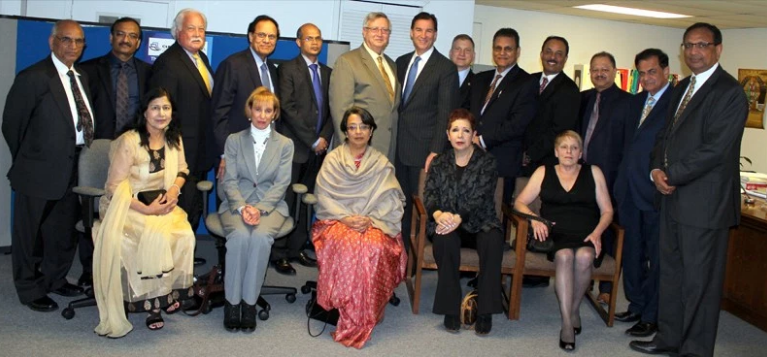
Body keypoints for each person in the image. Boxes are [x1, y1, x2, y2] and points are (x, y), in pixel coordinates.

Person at [630, 23, 749, 357]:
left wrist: (671, 174)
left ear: (718, 49)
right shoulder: (682, 87)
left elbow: (716, 150)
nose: (694, 51)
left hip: (705, 204)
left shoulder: (729, 92)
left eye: (702, 44)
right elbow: (664, 136)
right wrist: (656, 168)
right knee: (671, 275)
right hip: (672, 198)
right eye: (689, 45)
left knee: (700, 284)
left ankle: (694, 350)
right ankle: (669, 338)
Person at [92, 87, 196, 338]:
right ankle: (153, 307)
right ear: (145, 112)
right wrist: (146, 209)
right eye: (155, 107)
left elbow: (183, 169)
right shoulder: (130, 141)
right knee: (153, 239)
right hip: (128, 205)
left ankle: (167, 293)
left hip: (162, 202)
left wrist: (173, 191)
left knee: (184, 235)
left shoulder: (174, 137)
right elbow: (113, 187)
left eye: (166, 108)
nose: (161, 113)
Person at [2, 19, 90, 313]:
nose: (73, 46)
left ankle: (55, 279)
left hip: (74, 167)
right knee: (31, 234)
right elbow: (12, 125)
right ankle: (29, 289)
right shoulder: (34, 77)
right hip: (39, 169)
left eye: (78, 41)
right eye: (67, 40)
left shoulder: (81, 77)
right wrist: (32, 158)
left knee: (62, 231)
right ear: (52, 42)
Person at [312, 107, 406, 349]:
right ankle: (348, 311)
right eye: (352, 126)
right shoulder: (333, 159)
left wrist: (370, 219)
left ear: (371, 130)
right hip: (336, 221)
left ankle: (371, 308)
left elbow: (393, 199)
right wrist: (345, 218)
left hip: (373, 221)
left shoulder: (380, 162)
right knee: (348, 244)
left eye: (363, 126)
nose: (358, 131)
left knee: (374, 246)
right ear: (345, 130)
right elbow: (323, 197)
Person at [514, 130, 614, 351]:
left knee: (585, 255)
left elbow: (607, 210)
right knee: (565, 255)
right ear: (556, 151)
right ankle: (567, 322)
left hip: (588, 232)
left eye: (574, 147)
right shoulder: (543, 171)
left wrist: (597, 233)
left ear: (580, 152)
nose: (569, 152)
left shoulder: (593, 172)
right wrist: (534, 219)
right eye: (564, 147)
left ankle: (574, 308)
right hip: (557, 234)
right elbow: (519, 202)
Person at [78, 16, 153, 288]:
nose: (126, 40)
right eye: (120, 34)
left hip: (134, 151)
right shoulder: (88, 70)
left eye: (132, 36)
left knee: (130, 210)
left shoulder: (147, 72)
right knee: (96, 208)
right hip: (98, 151)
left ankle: (125, 266)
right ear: (111, 38)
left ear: (138, 42)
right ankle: (91, 269)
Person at [218, 87, 293, 333]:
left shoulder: (285, 144)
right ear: (249, 111)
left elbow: (282, 183)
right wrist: (242, 208)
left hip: (270, 207)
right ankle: (232, 303)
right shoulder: (234, 140)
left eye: (268, 110)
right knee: (239, 237)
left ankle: (249, 304)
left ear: (274, 114)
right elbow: (229, 181)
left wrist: (259, 209)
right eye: (257, 109)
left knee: (260, 238)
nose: (262, 115)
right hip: (236, 204)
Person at [423, 109, 503, 335]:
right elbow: (429, 194)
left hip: (479, 221)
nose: (460, 135)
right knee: (444, 240)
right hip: (447, 221)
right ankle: (450, 309)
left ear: (473, 134)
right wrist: (438, 215)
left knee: (493, 241)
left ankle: (485, 311)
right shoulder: (439, 161)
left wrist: (459, 217)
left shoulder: (487, 161)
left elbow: (482, 195)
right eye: (455, 130)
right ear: (448, 135)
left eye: (466, 130)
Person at [612, 48, 673, 338]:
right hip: (628, 190)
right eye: (643, 72)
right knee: (632, 253)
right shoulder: (634, 102)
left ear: (666, 72)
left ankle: (652, 315)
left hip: (655, 193)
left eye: (653, 72)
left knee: (655, 257)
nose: (647, 78)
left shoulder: (676, 105)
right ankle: (636, 305)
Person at [395, 12, 458, 251]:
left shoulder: (445, 68)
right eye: (419, 30)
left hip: (423, 152)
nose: (423, 35)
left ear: (435, 35)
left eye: (429, 31)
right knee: (398, 204)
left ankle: (412, 260)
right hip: (397, 148)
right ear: (411, 33)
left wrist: (435, 150)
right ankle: (397, 255)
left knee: (417, 207)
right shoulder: (401, 62)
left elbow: (445, 113)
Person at [150, 8, 215, 238]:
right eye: (191, 28)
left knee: (192, 204)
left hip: (198, 150)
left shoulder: (200, 59)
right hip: (179, 152)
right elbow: (161, 115)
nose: (197, 33)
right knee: (179, 207)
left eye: (201, 29)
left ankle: (185, 253)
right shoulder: (168, 63)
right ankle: (173, 258)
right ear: (177, 32)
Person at [275, 22, 329, 274]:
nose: (315, 42)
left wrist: (325, 137)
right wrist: (312, 139)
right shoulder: (287, 69)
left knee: (307, 201)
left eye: (318, 38)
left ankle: (297, 248)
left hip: (319, 150)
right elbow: (287, 108)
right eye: (309, 38)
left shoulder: (328, 72)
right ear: (299, 42)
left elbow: (331, 110)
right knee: (286, 201)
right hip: (294, 148)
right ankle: (279, 252)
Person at [578, 51, 630, 303]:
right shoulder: (584, 98)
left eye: (605, 69)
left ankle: (607, 291)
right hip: (583, 177)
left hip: (613, 178)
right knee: (585, 227)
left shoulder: (628, 102)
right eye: (595, 69)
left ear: (614, 71)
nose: (599, 73)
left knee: (609, 232)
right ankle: (585, 279)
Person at [469, 27, 537, 204]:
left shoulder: (526, 82)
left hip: (501, 163)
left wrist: (483, 140)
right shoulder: (480, 78)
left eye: (508, 48)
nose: (502, 53)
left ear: (518, 52)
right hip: (472, 160)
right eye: (498, 48)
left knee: (497, 219)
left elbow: (517, 124)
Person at [213, 15, 280, 179]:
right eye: (261, 35)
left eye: (272, 36)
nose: (267, 40)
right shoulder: (233, 65)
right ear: (250, 37)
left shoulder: (272, 69)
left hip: (264, 155)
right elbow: (218, 113)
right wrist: (225, 154)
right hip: (236, 153)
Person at [329, 12, 401, 161]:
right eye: (375, 29)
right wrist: (351, 150)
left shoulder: (392, 65)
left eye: (385, 30)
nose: (380, 34)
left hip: (387, 151)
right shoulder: (347, 62)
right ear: (364, 31)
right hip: (358, 151)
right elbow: (341, 111)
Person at [449, 34, 475, 110]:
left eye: (467, 50)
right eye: (457, 49)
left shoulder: (478, 84)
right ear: (450, 53)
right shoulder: (438, 78)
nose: (462, 54)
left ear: (473, 56)